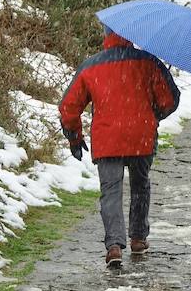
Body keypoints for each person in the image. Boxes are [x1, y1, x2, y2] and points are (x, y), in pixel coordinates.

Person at [60, 27, 180, 269]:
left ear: (106, 35)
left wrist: (74, 137)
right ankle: (138, 238)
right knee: (140, 185)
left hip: (108, 139)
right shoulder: (149, 62)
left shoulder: (91, 66)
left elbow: (69, 107)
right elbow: (170, 99)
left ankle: (114, 246)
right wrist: (154, 115)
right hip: (141, 135)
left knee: (110, 191)